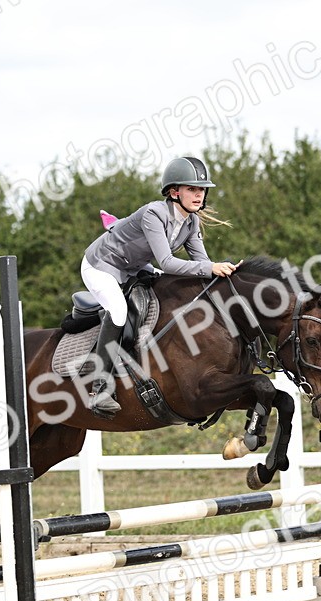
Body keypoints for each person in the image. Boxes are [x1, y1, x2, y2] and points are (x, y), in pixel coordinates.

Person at [79, 156, 241, 417]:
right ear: (175, 192)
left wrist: (228, 274)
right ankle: (100, 389)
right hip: (101, 265)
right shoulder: (155, 213)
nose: (199, 195)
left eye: (202, 190)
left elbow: (202, 264)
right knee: (119, 311)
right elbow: (167, 263)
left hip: (133, 266)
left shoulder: (191, 222)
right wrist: (211, 267)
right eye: (192, 189)